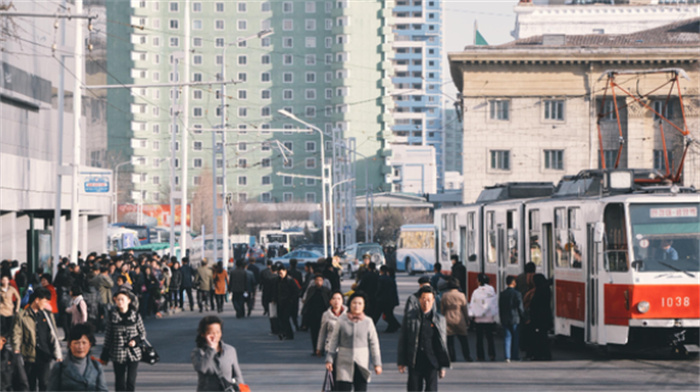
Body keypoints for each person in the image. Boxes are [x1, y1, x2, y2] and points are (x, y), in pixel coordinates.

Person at [325, 291, 382, 392]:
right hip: (344, 361)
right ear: (350, 304)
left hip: (361, 363)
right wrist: (330, 359)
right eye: (354, 303)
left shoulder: (368, 322)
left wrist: (377, 363)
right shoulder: (342, 320)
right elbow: (334, 340)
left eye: (360, 303)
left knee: (360, 388)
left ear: (364, 306)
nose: (357, 306)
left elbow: (374, 343)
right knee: (343, 389)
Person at [398, 286, 450, 392]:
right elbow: (403, 339)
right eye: (424, 299)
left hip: (432, 361)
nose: (426, 303)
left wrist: (442, 366)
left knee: (431, 389)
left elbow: (442, 343)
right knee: (414, 389)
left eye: (429, 300)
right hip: (415, 360)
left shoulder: (439, 319)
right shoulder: (410, 317)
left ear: (434, 300)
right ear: (419, 299)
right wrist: (401, 361)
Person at [12, 287, 63, 391]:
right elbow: (16, 334)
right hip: (29, 356)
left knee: (45, 383)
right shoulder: (22, 316)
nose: (46, 304)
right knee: (30, 384)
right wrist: (16, 350)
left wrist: (58, 354)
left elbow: (53, 334)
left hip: (45, 355)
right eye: (44, 301)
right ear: (37, 300)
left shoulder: (48, 315)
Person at [100, 290, 146, 392]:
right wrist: (105, 354)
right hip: (118, 353)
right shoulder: (112, 316)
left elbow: (142, 333)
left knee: (131, 381)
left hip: (133, 354)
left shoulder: (135, 315)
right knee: (119, 382)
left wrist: (135, 341)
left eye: (122, 299)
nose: (120, 302)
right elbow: (108, 336)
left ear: (128, 301)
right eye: (118, 299)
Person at [48, 323, 108, 391]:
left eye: (84, 343)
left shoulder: (96, 366)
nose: (80, 347)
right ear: (69, 344)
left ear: (90, 345)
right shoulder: (59, 368)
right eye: (76, 343)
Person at [191, 316, 244, 392]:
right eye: (211, 333)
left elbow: (237, 375)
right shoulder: (198, 352)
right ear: (203, 334)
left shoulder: (229, 350)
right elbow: (202, 368)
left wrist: (243, 389)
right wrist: (211, 349)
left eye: (218, 332)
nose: (215, 336)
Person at [440, 278, 473, 362]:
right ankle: (467, 356)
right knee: (463, 339)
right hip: (459, 318)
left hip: (448, 318)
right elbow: (465, 309)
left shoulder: (445, 295)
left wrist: (443, 318)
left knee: (450, 340)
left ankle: (451, 357)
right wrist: (467, 319)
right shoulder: (461, 295)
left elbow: (442, 309)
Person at [468, 274, 498, 361]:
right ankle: (492, 355)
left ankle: (480, 356)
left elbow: (472, 305)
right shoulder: (492, 291)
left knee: (479, 339)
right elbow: (494, 304)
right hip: (489, 318)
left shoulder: (476, 292)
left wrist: (471, 316)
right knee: (490, 338)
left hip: (478, 319)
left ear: (479, 281)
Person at [302, 274, 331, 356]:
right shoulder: (311, 290)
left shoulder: (326, 290)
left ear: (323, 281)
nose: (318, 282)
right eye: (317, 280)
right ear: (314, 281)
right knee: (314, 333)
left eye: (320, 280)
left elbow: (328, 303)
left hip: (323, 315)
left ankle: (322, 349)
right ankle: (315, 349)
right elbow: (307, 302)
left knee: (323, 333)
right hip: (313, 314)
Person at [499, 276, 524, 363]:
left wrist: (501, 318)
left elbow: (500, 307)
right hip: (515, 318)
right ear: (514, 283)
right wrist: (523, 316)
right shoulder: (517, 294)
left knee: (507, 337)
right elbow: (520, 307)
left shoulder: (502, 294)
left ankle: (507, 356)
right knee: (515, 338)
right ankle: (515, 356)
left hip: (505, 318)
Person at [529, 274, 553, 361]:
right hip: (546, 317)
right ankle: (546, 354)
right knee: (544, 336)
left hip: (539, 318)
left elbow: (535, 305)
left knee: (539, 337)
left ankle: (539, 354)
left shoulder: (539, 291)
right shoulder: (546, 289)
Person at [317, 291, 347, 357]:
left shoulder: (348, 314)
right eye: (334, 299)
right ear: (330, 301)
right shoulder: (326, 314)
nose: (336, 301)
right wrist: (319, 347)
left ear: (342, 301)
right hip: (331, 347)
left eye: (339, 299)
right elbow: (322, 332)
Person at [273, 264, 300, 340]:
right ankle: (283, 333)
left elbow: (296, 292)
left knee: (285, 319)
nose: (280, 275)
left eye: (281, 273)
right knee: (280, 319)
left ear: (285, 272)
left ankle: (289, 334)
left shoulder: (290, 280)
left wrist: (291, 300)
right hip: (280, 302)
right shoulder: (277, 280)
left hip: (288, 303)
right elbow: (275, 291)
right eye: (279, 273)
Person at [376, 266, 400, 333]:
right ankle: (394, 325)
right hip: (391, 300)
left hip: (384, 300)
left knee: (384, 314)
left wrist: (377, 296)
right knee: (388, 314)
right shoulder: (391, 278)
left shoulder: (382, 279)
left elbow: (379, 289)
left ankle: (394, 325)